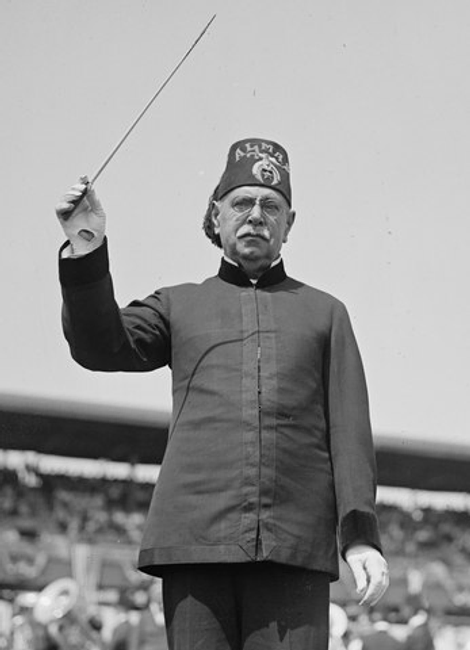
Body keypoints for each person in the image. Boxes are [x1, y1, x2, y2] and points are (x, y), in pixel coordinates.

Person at [55, 137, 389, 650]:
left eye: (270, 206)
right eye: (242, 203)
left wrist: (361, 536)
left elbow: (349, 434)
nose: (256, 215)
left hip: (293, 549)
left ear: (289, 224)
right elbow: (100, 346)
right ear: (216, 216)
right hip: (194, 545)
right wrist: (86, 247)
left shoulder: (325, 313)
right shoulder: (178, 305)